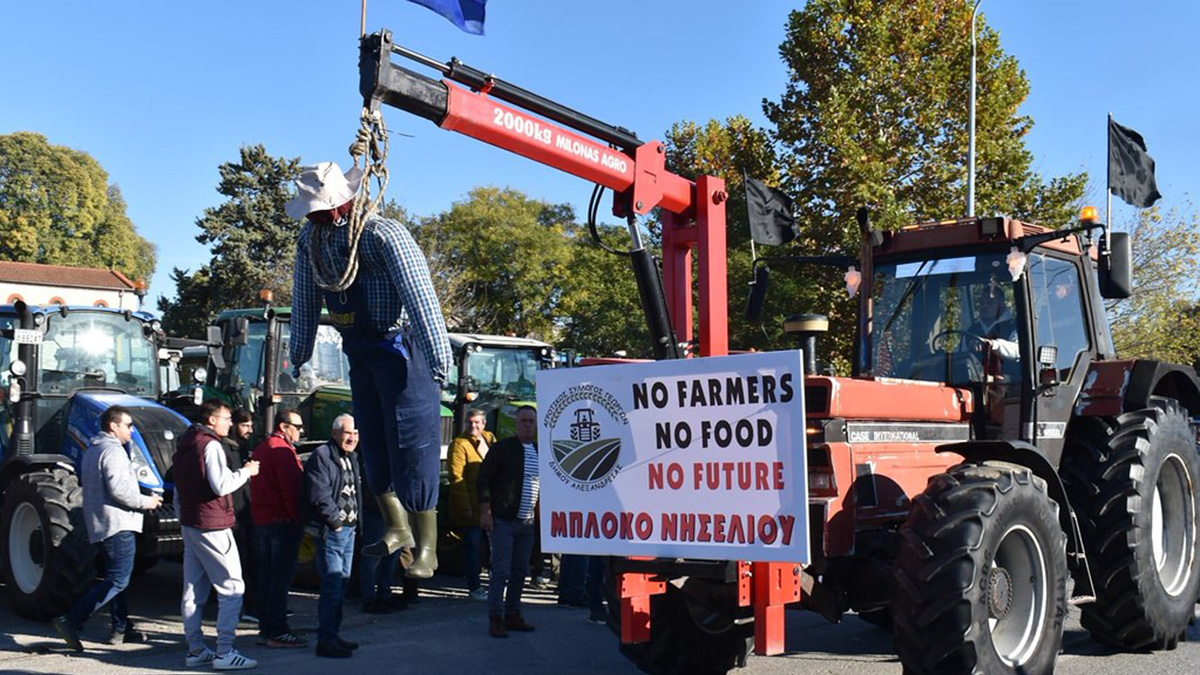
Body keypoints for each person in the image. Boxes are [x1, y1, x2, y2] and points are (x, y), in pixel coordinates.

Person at [288, 162, 452, 580]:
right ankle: (396, 527)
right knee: (374, 441)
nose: (313, 217)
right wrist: (299, 349)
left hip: (400, 349)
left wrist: (439, 358)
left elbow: (420, 296)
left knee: (413, 441)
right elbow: (304, 296)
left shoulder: (383, 235)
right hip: (360, 349)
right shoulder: (312, 239)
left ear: (341, 205)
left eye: (318, 209)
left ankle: (428, 546)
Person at [53, 406, 163, 651]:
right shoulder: (113, 451)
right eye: (128, 425)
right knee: (118, 579)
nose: (132, 431)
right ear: (114, 426)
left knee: (116, 577)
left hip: (101, 523)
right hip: (118, 524)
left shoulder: (93, 449)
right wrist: (148, 502)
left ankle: (121, 628)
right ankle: (72, 619)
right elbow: (120, 491)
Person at [174, 399, 260, 670]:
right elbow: (221, 485)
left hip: (191, 523)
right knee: (233, 587)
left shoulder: (186, 444)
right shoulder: (210, 445)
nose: (230, 423)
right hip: (213, 524)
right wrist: (246, 472)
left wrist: (183, 518)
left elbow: (178, 491)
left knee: (193, 589)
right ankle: (225, 651)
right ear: (212, 420)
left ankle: (196, 648)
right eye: (226, 418)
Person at [303, 414, 363, 659]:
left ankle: (333, 634)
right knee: (332, 586)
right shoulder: (322, 456)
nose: (352, 438)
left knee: (342, 584)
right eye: (347, 433)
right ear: (336, 432)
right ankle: (325, 641)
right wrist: (336, 524)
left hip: (350, 531)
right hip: (333, 532)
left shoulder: (352, 457)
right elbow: (319, 494)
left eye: (355, 433)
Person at [477, 405, 540, 638]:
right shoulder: (502, 449)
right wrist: (486, 512)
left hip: (528, 523)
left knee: (520, 571)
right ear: (516, 423)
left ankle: (513, 614)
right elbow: (484, 480)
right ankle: (496, 617)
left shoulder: (539, 451)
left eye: (531, 421)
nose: (527, 425)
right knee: (501, 571)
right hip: (503, 520)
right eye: (523, 421)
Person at [250, 408, 307, 649]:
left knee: (268, 578)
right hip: (281, 522)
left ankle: (267, 629)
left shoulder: (263, 447)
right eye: (298, 426)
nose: (301, 431)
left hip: (264, 521)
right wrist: (299, 519)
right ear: (284, 426)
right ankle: (277, 630)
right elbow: (292, 491)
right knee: (280, 580)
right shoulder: (281, 451)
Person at [449, 409, 496, 600]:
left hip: (491, 506)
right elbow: (456, 477)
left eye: (477, 422)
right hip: (471, 505)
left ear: (484, 424)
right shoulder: (459, 444)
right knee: (473, 546)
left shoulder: (491, 440)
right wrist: (465, 507)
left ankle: (495, 584)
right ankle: (474, 586)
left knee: (493, 547)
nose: (473, 426)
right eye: (469, 422)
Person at [224, 408, 257, 622]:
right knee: (240, 564)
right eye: (245, 425)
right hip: (234, 516)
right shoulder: (226, 450)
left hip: (245, 512)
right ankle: (243, 608)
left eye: (251, 426)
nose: (249, 430)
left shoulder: (242, 449)